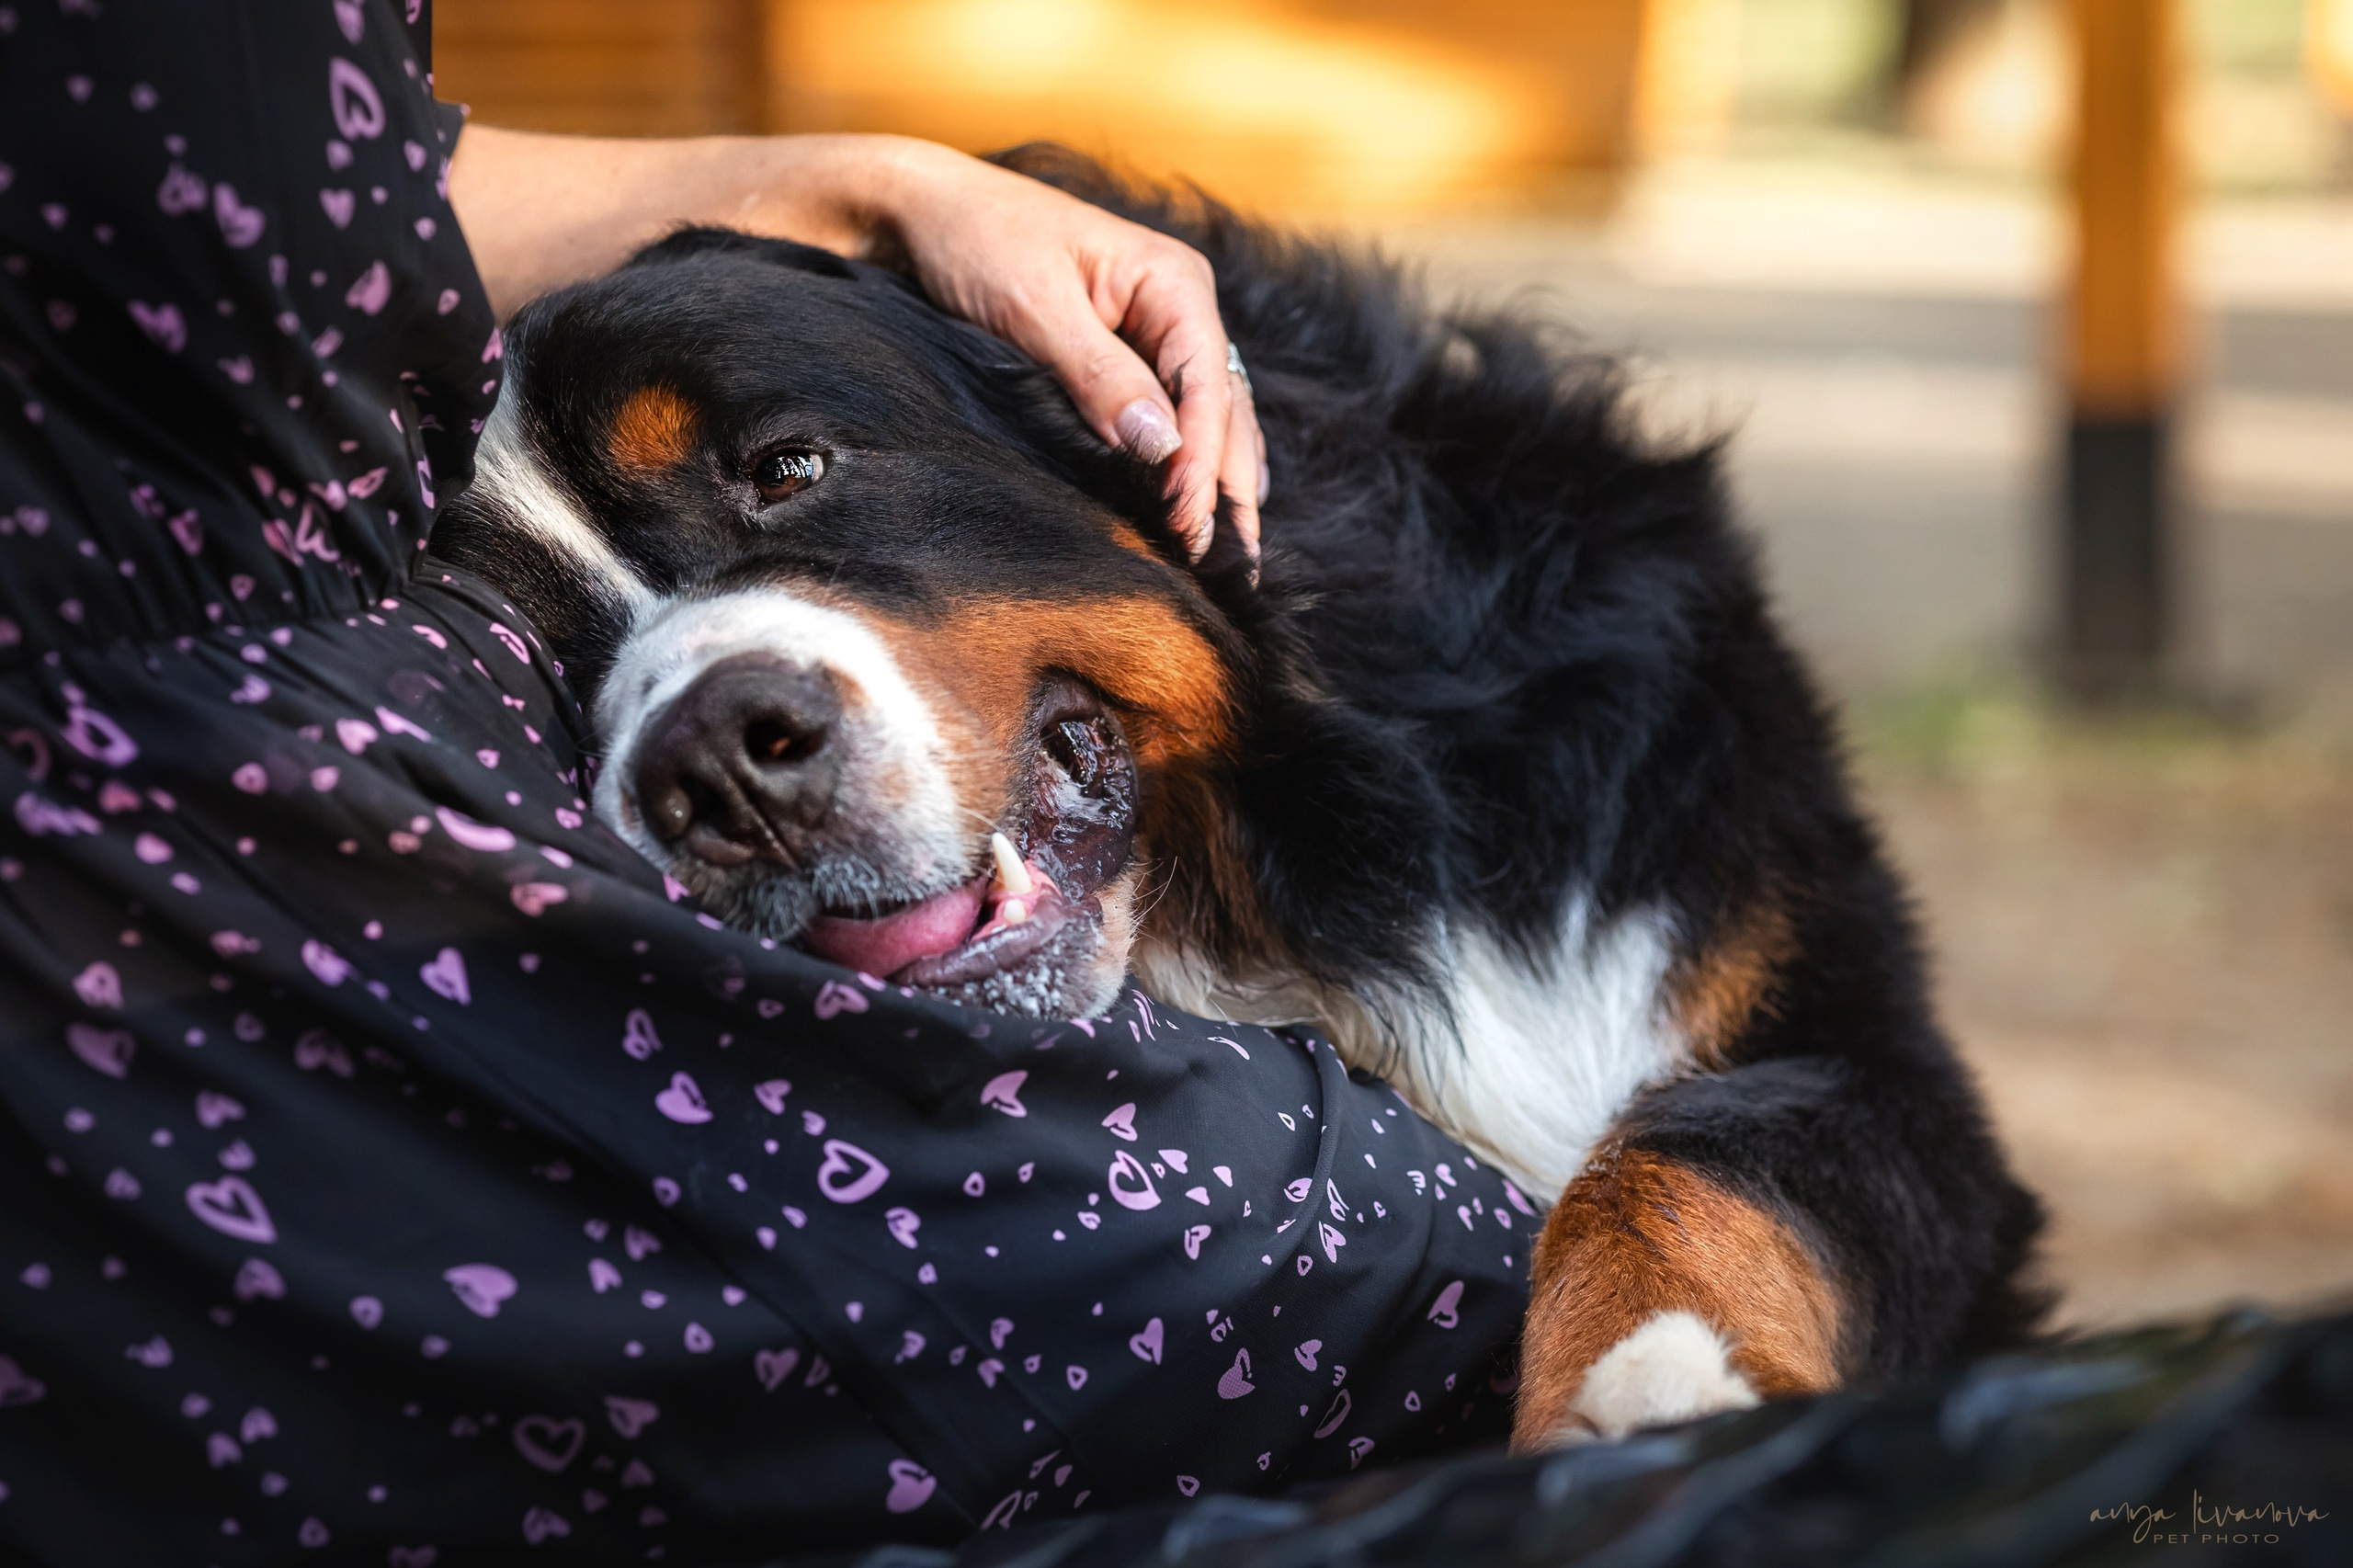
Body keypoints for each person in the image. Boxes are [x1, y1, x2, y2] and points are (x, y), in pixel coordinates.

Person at [0, 5, 1524, 1562]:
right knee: (1408, 1272)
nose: (726, 737)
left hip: (298, 745)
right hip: (170, 843)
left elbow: (278, 178)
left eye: (788, 471)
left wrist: (872, 185)